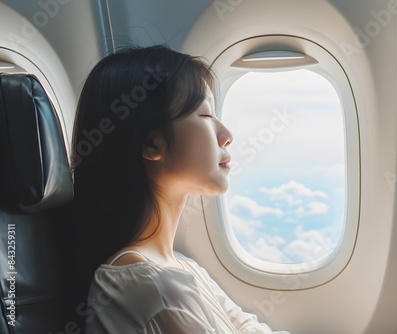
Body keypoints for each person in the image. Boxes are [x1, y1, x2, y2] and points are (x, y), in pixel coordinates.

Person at [70, 45, 290, 333]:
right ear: (153, 144)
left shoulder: (181, 268)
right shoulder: (150, 285)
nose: (226, 136)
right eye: (207, 116)